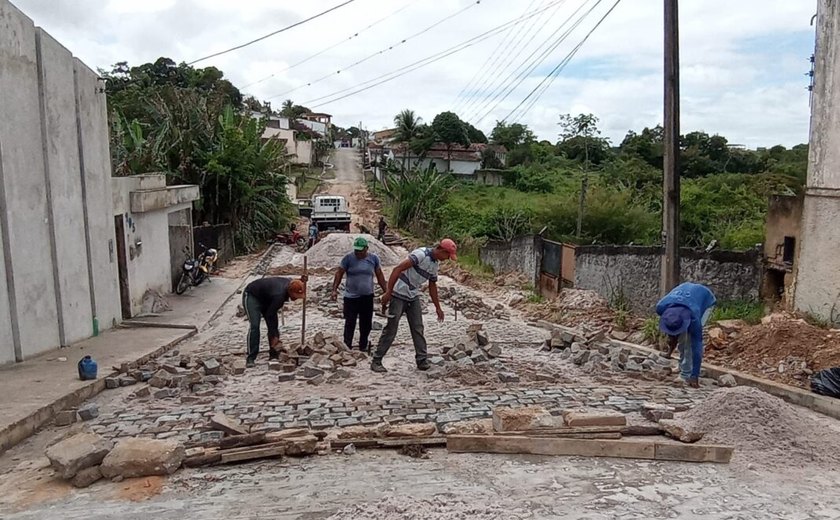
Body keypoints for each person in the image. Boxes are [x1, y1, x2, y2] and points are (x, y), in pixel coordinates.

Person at [371, 239, 458, 373]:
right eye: (447, 256)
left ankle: (422, 360)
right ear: (442, 250)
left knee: (418, 327)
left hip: (412, 295)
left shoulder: (434, 265)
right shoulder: (421, 254)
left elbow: (432, 286)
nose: (447, 259)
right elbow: (397, 269)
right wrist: (388, 292)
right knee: (391, 328)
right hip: (399, 294)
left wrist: (438, 307)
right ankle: (377, 360)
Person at [331, 237, 388, 352]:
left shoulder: (373, 259)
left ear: (366, 249)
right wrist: (334, 289)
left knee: (366, 323)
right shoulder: (348, 259)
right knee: (350, 322)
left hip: (367, 297)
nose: (358, 253)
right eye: (356, 250)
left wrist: (386, 291)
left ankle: (363, 345)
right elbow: (339, 273)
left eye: (360, 251)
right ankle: (347, 346)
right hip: (350, 297)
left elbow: (379, 275)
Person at [656, 282, 717, 388]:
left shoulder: (694, 316)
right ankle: (682, 365)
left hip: (705, 299)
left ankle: (686, 374)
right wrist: (669, 351)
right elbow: (673, 330)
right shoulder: (661, 307)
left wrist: (695, 375)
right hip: (686, 296)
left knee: (688, 340)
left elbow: (697, 343)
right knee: (682, 337)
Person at [242, 276, 307, 368]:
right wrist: (275, 337)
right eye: (295, 296)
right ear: (290, 292)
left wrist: (301, 279)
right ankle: (251, 358)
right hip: (252, 296)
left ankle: (273, 354)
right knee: (255, 326)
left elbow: (294, 281)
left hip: (268, 298)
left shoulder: (290, 282)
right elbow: (269, 315)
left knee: (274, 326)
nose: (296, 299)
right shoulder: (279, 296)